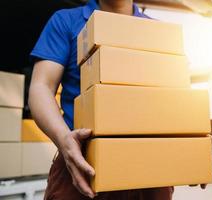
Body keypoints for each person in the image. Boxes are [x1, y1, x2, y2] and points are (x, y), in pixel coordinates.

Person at [28, 0, 174, 199]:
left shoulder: (158, 31)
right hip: (82, 165)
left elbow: (174, 97)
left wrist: (191, 148)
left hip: (150, 167)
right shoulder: (66, 21)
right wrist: (64, 140)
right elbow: (41, 86)